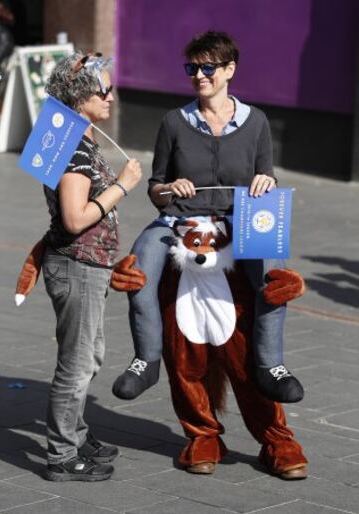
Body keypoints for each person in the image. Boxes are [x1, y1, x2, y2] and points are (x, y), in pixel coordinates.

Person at [112, 31, 303, 404]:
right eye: (192, 68)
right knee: (137, 269)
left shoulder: (257, 121)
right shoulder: (173, 121)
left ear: (229, 70)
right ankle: (145, 359)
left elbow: (267, 177)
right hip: (179, 223)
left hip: (239, 220)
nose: (199, 75)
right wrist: (170, 188)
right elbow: (155, 188)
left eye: (208, 67)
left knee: (275, 276)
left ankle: (270, 365)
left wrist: (266, 181)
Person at [41, 52, 142, 481]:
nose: (112, 97)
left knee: (89, 355)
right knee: (77, 363)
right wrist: (123, 185)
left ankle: (77, 434)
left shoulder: (75, 135)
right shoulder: (72, 146)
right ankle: (62, 455)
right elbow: (74, 218)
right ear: (82, 95)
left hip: (87, 263)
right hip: (76, 263)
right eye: (105, 90)